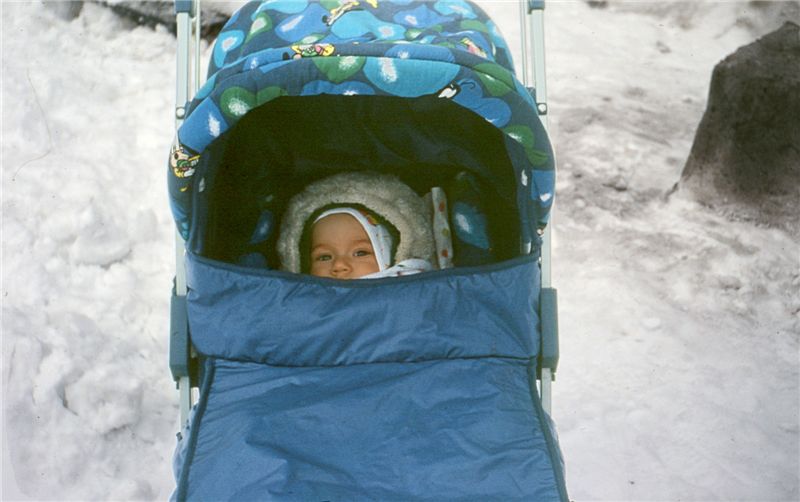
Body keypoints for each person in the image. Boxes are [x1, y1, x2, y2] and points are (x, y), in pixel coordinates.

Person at [277, 171, 435, 279]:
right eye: (324, 257)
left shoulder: (411, 293)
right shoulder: (298, 303)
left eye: (360, 253)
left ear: (393, 257)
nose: (339, 265)